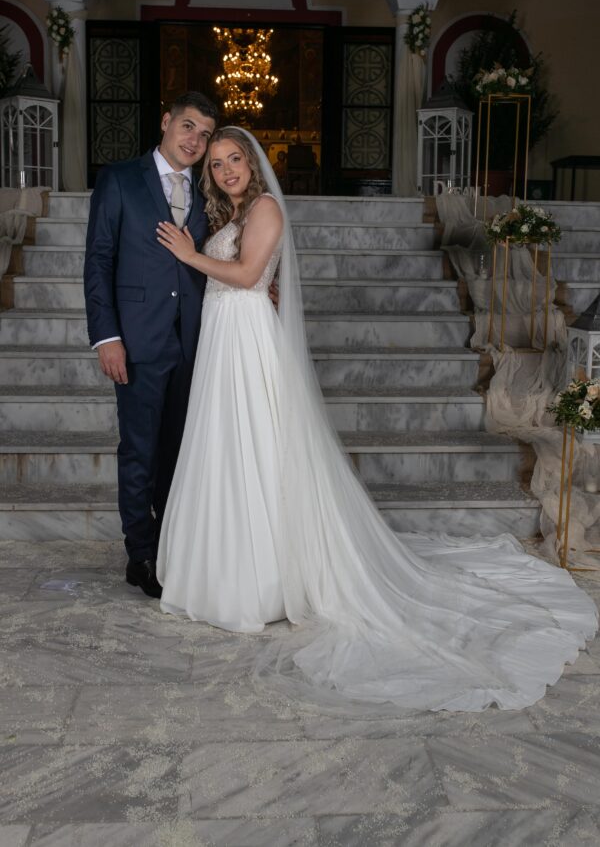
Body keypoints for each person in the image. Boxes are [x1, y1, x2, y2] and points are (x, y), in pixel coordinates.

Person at [155, 126, 598, 712]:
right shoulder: (232, 213)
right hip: (224, 338)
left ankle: (264, 581)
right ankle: (223, 570)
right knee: (226, 450)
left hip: (245, 341)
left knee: (255, 446)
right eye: (216, 164)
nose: (227, 169)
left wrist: (189, 255)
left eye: (235, 158)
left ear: (252, 164)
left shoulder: (264, 209)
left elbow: (248, 274)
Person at [84, 92, 218, 599]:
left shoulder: (208, 189)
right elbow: (99, 261)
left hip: (194, 343)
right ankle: (140, 553)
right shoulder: (120, 179)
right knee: (139, 451)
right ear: (166, 122)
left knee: (178, 451)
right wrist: (108, 336)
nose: (195, 141)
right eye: (187, 126)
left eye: (205, 134)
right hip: (138, 341)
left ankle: (169, 545)